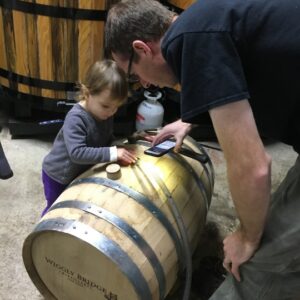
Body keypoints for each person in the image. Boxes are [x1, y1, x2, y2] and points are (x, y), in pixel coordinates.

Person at [105, 0, 300, 299]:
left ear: (143, 49)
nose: (143, 84)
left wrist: (246, 238)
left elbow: (254, 168)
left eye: (134, 74)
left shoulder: (191, 41)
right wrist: (187, 121)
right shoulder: (199, 20)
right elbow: (234, 79)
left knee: (259, 262)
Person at [41, 59, 137, 216]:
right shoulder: (76, 118)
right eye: (106, 106)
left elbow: (106, 138)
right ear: (87, 93)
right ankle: (42, 235)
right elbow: (77, 153)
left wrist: (120, 146)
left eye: (116, 107)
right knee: (56, 211)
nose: (111, 112)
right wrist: (112, 153)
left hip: (79, 173)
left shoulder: (105, 112)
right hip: (59, 176)